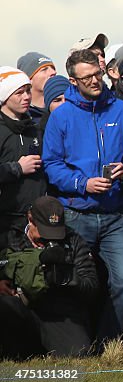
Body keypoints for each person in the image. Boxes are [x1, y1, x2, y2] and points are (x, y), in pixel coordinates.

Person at [42, 49, 123, 342]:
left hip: (116, 215)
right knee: (77, 283)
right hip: (77, 213)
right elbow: (51, 165)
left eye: (97, 74)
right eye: (86, 77)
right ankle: (77, 342)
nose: (94, 81)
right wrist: (82, 184)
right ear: (73, 81)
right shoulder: (61, 116)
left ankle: (108, 342)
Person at [0, 196, 99, 359]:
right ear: (30, 220)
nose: (49, 238)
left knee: (79, 354)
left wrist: (69, 279)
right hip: (21, 307)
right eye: (44, 231)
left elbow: (92, 287)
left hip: (59, 312)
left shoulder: (73, 241)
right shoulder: (10, 238)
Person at [0, 68, 44, 250]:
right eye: (19, 92)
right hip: (5, 220)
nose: (26, 96)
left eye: (27, 90)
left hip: (35, 219)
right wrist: (18, 168)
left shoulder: (35, 129)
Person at [17, 52, 56, 125]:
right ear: (29, 79)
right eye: (44, 69)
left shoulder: (62, 108)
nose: (53, 72)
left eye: (53, 68)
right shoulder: (19, 116)